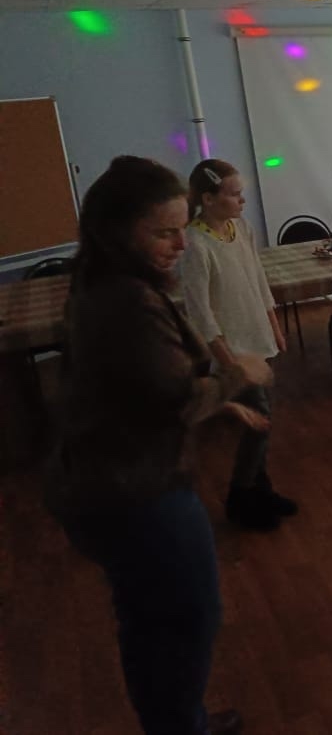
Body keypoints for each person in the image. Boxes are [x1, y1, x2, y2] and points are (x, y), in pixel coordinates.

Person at [44, 155, 272, 735]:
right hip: (133, 493)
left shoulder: (102, 284)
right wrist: (238, 376)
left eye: (181, 228)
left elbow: (140, 389)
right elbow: (172, 400)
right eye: (164, 232)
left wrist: (220, 402)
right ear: (118, 231)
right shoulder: (127, 302)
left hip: (105, 484)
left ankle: (179, 722)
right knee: (187, 616)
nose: (180, 244)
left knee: (149, 619)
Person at [182, 159, 297, 531]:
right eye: (234, 195)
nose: (242, 201)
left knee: (261, 422)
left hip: (257, 339)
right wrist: (229, 362)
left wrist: (274, 327)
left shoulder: (241, 228)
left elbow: (258, 280)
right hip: (234, 352)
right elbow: (201, 313)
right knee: (259, 422)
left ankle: (260, 489)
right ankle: (241, 495)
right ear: (208, 198)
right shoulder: (196, 244)